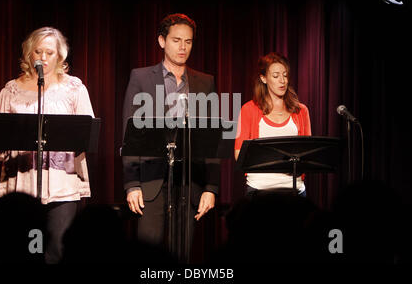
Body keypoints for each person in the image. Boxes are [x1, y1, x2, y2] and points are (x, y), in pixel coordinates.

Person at [0, 27, 95, 264]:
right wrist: (1, 147)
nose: (43, 58)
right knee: (20, 251)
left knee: (57, 250)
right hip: (23, 186)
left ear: (60, 56)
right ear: (29, 54)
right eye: (38, 51)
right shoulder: (11, 90)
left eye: (50, 52)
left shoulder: (74, 88)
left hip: (63, 185)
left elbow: (87, 134)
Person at [122, 13, 220, 259]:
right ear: (161, 41)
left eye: (188, 41)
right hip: (151, 181)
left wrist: (211, 187)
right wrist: (132, 184)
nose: (183, 47)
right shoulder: (141, 77)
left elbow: (211, 140)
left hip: (190, 181)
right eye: (176, 40)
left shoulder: (205, 82)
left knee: (183, 254)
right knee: (148, 256)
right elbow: (130, 133)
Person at [234, 52, 311, 196]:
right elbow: (239, 154)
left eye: (285, 75)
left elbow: (308, 153)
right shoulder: (248, 109)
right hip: (260, 190)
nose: (282, 80)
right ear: (263, 78)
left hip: (295, 190)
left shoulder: (301, 111)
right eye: (276, 76)